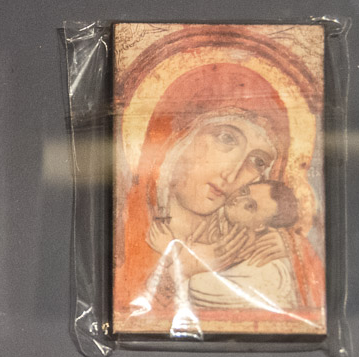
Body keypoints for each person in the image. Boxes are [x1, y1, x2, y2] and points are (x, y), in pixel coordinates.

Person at [115, 63, 324, 329]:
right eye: (226, 138)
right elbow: (132, 319)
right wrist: (181, 267)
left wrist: (293, 251)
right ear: (179, 137)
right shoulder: (124, 232)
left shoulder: (267, 244)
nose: (233, 174)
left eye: (258, 161)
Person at [144, 181, 302, 310]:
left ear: (260, 226)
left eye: (250, 206)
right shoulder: (219, 232)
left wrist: (175, 254)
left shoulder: (268, 270)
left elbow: (185, 292)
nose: (238, 199)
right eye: (244, 191)